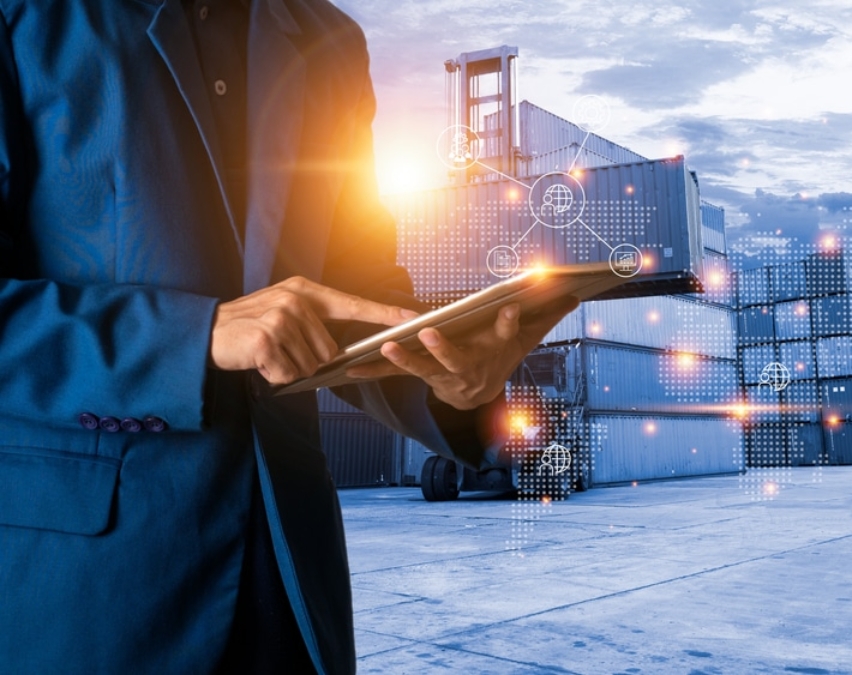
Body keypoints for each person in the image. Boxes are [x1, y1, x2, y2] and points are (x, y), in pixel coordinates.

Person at [0, 1, 575, 672]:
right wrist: (196, 338)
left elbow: (352, 291)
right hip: (95, 592)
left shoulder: (330, 40)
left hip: (292, 585)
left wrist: (448, 376)